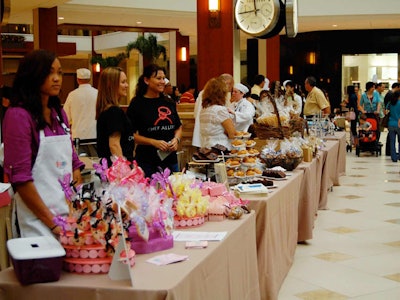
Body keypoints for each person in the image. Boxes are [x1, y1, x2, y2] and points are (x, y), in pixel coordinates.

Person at [3, 49, 84, 237]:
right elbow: (20, 180)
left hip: (67, 216)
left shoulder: (58, 113)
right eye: (49, 72)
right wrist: (53, 224)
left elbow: (72, 161)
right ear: (32, 75)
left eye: (60, 72)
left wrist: (75, 207)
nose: (56, 78)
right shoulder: (18, 116)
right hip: (35, 220)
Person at [127, 64, 182, 178]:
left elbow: (178, 127)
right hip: (147, 161)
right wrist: (153, 142)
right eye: (158, 78)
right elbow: (130, 135)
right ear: (146, 80)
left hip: (170, 160)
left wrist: (176, 139)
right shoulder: (137, 104)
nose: (162, 82)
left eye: (163, 78)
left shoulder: (169, 102)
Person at [96, 67, 134, 167]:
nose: (127, 85)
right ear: (111, 84)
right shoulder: (113, 112)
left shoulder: (108, 110)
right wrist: (125, 170)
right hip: (116, 171)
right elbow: (114, 145)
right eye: (123, 82)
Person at [192, 73, 234, 147]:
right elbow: (232, 133)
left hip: (206, 143)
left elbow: (196, 114)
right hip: (220, 147)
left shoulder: (204, 110)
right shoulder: (220, 110)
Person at [63, 68, 98, 157]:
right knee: (97, 163)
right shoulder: (97, 93)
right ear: (90, 79)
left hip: (78, 136)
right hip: (95, 135)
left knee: (82, 163)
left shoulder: (72, 95)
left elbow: (65, 116)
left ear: (78, 79)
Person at [383, 82, 400, 156]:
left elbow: (385, 111)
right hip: (398, 124)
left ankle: (393, 157)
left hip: (390, 123)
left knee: (392, 141)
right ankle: (399, 155)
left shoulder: (390, 103)